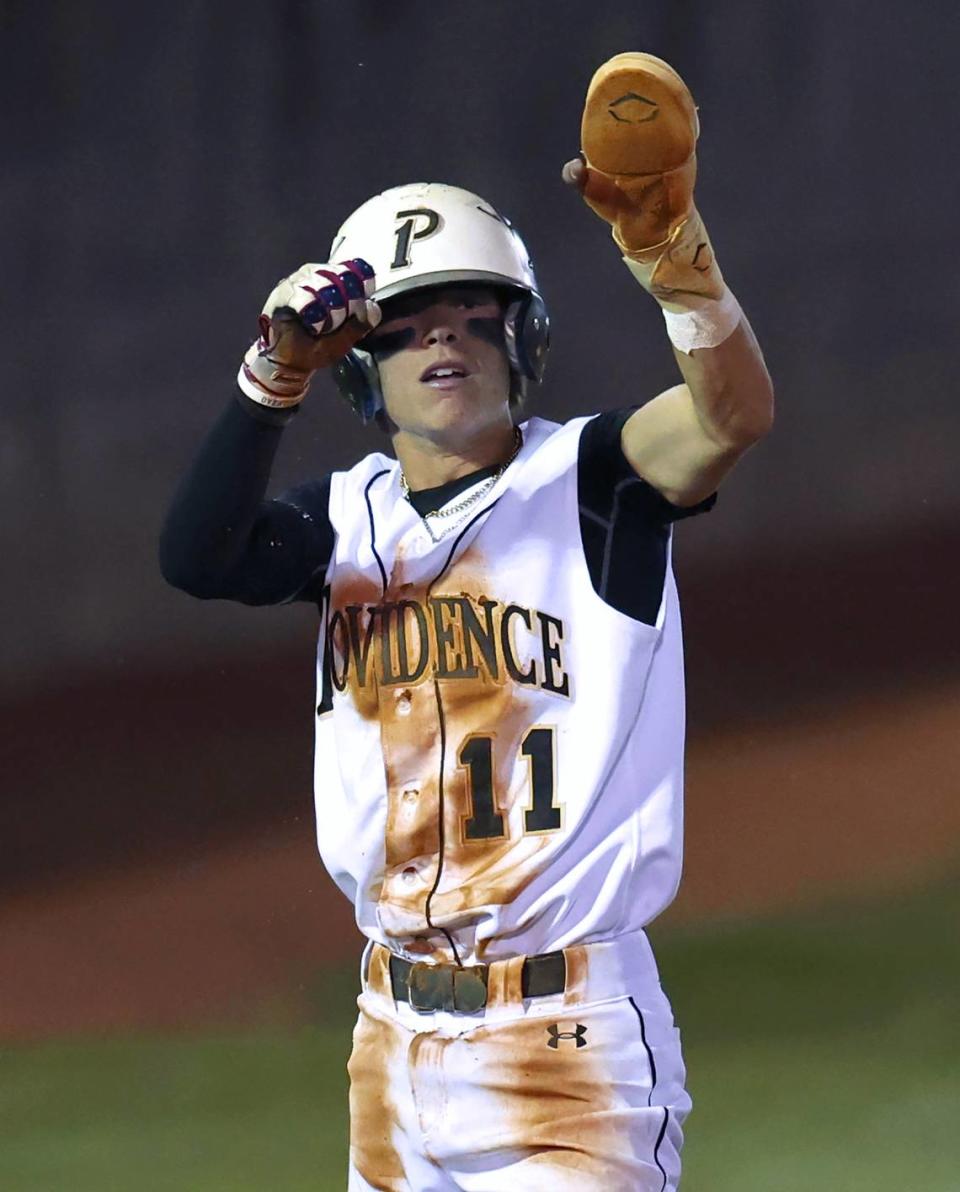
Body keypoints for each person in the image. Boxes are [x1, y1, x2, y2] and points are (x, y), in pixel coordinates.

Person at [161, 52, 773, 1192]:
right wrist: (267, 376)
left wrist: (675, 266)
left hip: (571, 1045)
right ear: (363, 370)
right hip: (390, 1049)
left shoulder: (597, 481)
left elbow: (731, 414)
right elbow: (195, 557)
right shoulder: (341, 521)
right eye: (405, 326)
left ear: (519, 339)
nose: (442, 337)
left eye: (471, 314)